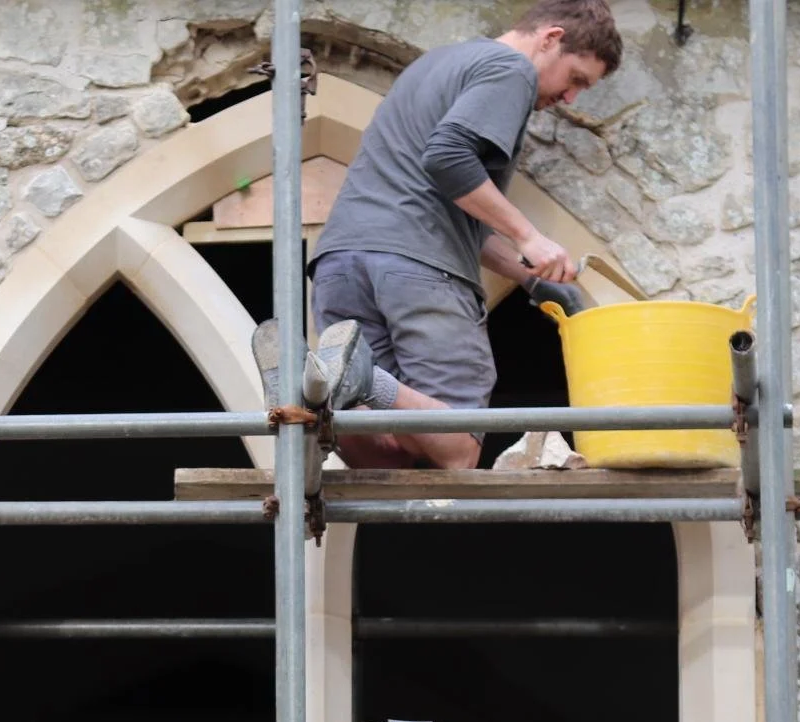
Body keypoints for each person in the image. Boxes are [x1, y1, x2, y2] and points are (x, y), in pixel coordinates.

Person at [254, 0, 622, 470]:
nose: (571, 99)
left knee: (393, 454)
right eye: (575, 80)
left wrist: (526, 276)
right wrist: (529, 236)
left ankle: (308, 396)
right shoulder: (512, 69)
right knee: (458, 447)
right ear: (550, 38)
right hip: (417, 268)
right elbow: (448, 160)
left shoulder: (437, 64)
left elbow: (446, 199)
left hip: (342, 262)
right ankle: (362, 381)